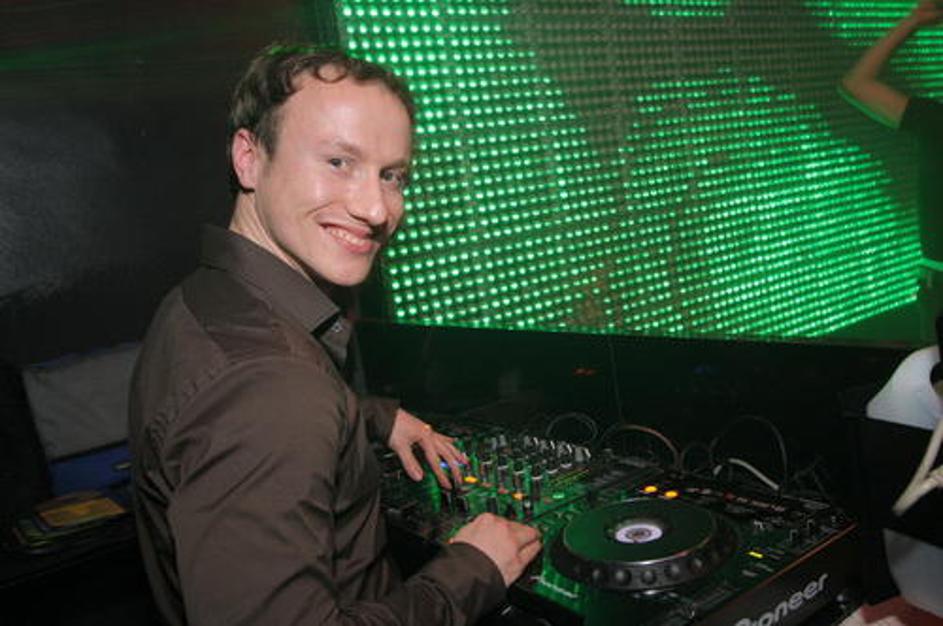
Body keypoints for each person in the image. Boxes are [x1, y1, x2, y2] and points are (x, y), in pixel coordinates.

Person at [128, 44, 541, 626]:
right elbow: (269, 402)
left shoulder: (207, 301)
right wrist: (472, 570)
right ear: (248, 159)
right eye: (339, 161)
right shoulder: (270, 391)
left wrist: (373, 418)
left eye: (392, 175)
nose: (376, 209)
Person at [840, 1, 943, 342]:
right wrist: (912, 21)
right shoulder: (935, 121)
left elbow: (857, 84)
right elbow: (857, 84)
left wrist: (913, 22)